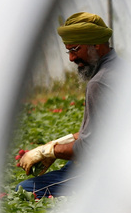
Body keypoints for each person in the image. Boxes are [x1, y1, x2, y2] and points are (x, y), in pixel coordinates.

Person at [16, 11, 121, 198]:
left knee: (24, 191)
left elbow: (89, 148)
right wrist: (54, 146)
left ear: (96, 45)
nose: (71, 58)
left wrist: (48, 151)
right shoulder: (120, 67)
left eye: (75, 50)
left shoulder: (100, 82)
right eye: (68, 51)